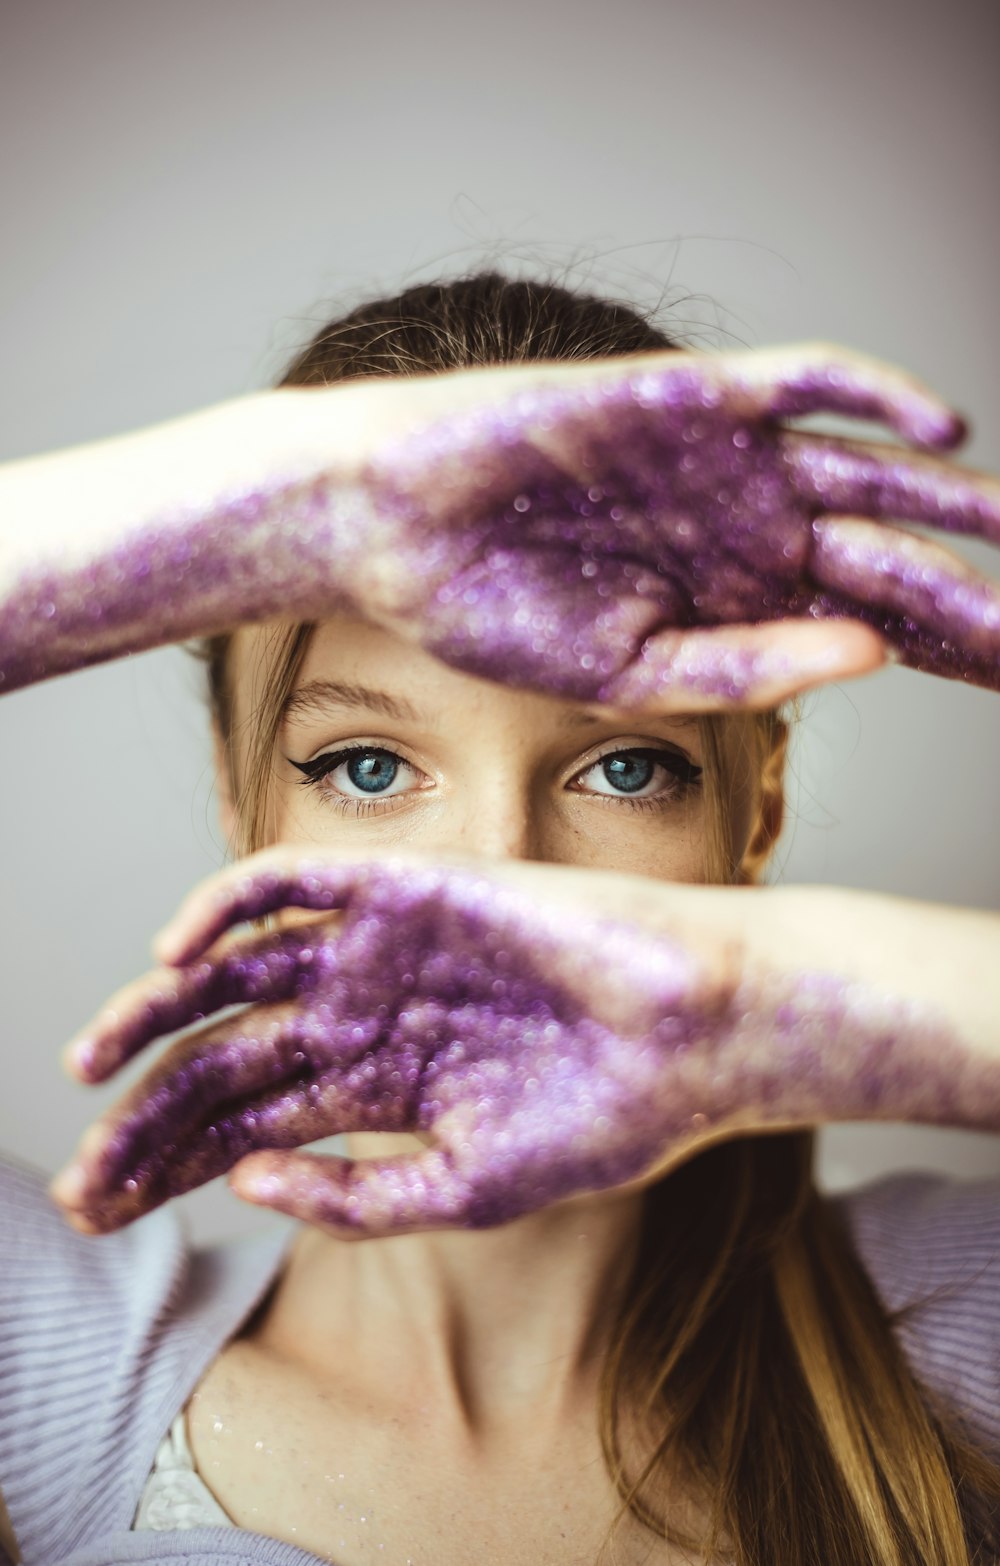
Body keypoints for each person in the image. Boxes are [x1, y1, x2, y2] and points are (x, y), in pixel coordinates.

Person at [0, 272, 998, 1566]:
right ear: (241, 799)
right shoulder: (47, 1367)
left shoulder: (959, 1325)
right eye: (365, 765)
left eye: (628, 766)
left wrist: (813, 999)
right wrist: (291, 494)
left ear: (756, 812)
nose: (501, 886)